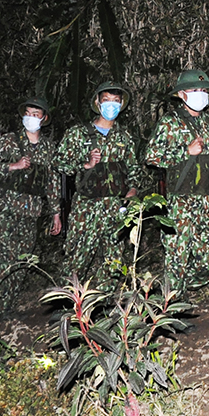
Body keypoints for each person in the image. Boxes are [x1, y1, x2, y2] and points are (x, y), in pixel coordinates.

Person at [144, 70, 209, 300]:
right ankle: (173, 308)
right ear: (181, 95)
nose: (200, 95)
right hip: (180, 201)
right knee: (177, 257)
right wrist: (184, 152)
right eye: (194, 91)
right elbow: (151, 157)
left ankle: (175, 287)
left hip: (208, 200)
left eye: (203, 90)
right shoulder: (170, 123)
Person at [55, 81, 141, 289]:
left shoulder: (125, 137)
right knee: (77, 259)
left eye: (116, 101)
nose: (111, 105)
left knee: (114, 261)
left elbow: (134, 171)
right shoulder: (78, 134)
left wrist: (132, 190)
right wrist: (84, 164)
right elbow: (59, 164)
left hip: (114, 207)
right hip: (86, 206)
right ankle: (67, 306)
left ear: (121, 105)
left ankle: (105, 306)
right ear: (97, 102)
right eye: (106, 101)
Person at [0, 98, 61, 311]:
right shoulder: (10, 140)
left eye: (36, 114)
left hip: (32, 211)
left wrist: (55, 214)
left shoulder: (48, 147)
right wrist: (12, 166)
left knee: (24, 260)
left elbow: (52, 181)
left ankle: (8, 305)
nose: (31, 117)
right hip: (7, 208)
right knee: (6, 257)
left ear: (43, 119)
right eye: (28, 113)